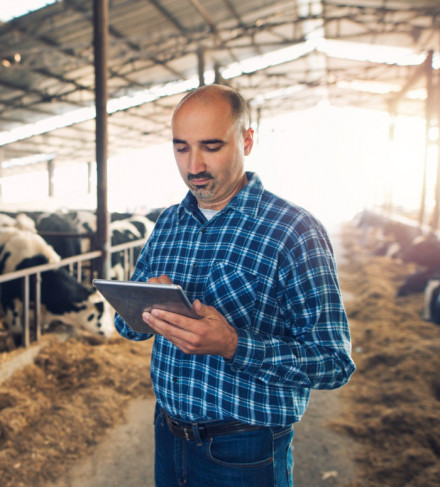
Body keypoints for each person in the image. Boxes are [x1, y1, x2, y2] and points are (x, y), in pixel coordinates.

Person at [113, 83, 355, 487]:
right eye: (181, 148)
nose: (194, 167)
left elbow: (333, 363)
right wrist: (141, 308)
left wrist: (232, 344)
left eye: (211, 146)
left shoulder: (293, 230)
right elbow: (129, 329)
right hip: (169, 434)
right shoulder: (169, 223)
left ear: (247, 140)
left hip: (244, 451)